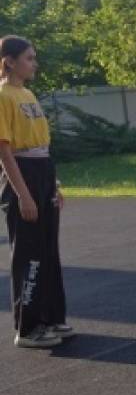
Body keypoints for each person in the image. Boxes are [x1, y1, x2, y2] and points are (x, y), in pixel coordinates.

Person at [0, 36, 72, 347]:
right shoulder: (2, 95)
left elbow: (41, 145)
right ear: (9, 61)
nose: (35, 64)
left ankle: (51, 318)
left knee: (48, 250)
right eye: (29, 58)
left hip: (43, 172)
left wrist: (54, 184)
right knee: (29, 253)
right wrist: (23, 195)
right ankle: (28, 328)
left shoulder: (27, 94)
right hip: (22, 174)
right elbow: (4, 150)